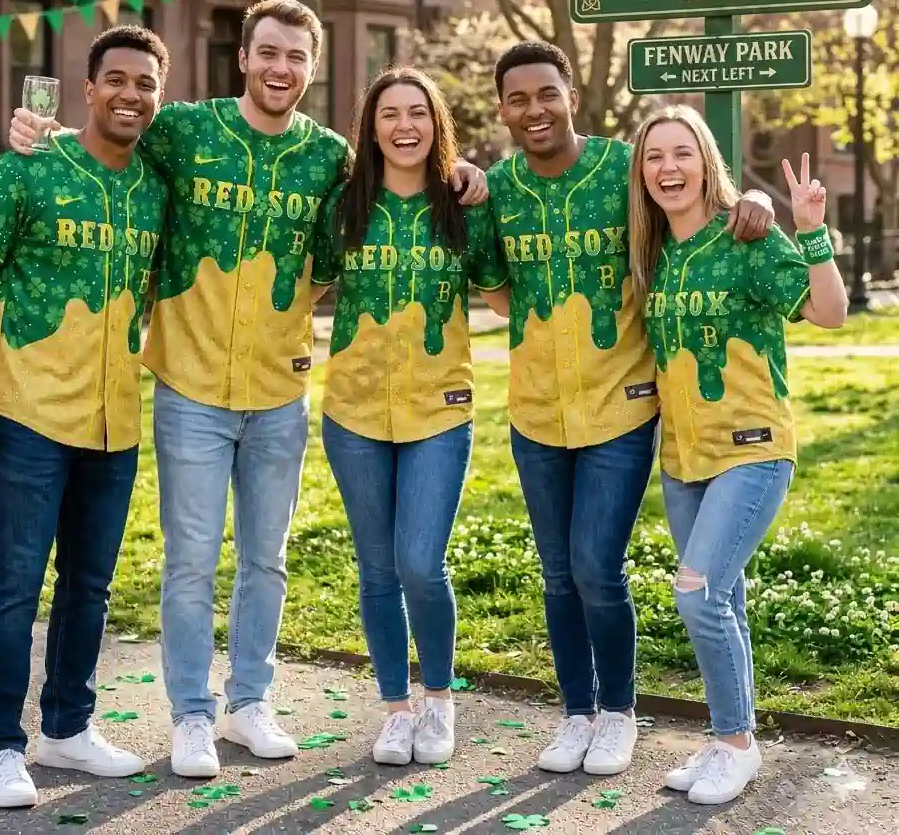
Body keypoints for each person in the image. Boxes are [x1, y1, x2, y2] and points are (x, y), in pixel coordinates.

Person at [6, 0, 488, 778]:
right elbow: (109, 139)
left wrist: (462, 173)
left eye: (296, 57)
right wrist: (42, 133)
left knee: (266, 560)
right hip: (190, 388)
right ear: (243, 57)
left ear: (313, 67)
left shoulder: (329, 158)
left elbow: (401, 178)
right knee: (191, 560)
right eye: (268, 52)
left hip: (279, 393)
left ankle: (249, 703)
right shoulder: (184, 130)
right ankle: (192, 717)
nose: (280, 68)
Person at [485, 41, 777, 778]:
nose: (534, 110)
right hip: (535, 414)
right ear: (502, 110)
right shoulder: (499, 186)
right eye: (517, 99)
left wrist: (758, 201)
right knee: (556, 573)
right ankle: (576, 712)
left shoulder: (625, 167)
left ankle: (617, 712)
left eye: (546, 93)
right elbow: (495, 286)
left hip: (623, 406)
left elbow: (698, 197)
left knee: (595, 565)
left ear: (571, 92)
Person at [0, 26, 171, 808]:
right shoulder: (31, 165)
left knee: (91, 584)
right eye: (116, 78)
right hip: (29, 417)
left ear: (158, 95)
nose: (130, 94)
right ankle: (1, 745)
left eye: (145, 82)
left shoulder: (156, 184)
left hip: (115, 421)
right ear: (89, 87)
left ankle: (68, 728)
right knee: (13, 583)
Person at [628, 105, 847, 804]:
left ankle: (735, 745)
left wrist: (811, 233)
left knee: (696, 594)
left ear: (706, 161)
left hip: (753, 449)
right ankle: (730, 733)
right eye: (655, 156)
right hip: (684, 458)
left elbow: (830, 312)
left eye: (681, 153)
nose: (668, 168)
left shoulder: (746, 235)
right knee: (725, 600)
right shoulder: (652, 253)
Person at [310, 67, 509, 766]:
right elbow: (304, 286)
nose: (403, 126)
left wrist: (481, 186)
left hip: (439, 409)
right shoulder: (343, 205)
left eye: (417, 113)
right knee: (376, 569)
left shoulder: (463, 205)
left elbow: (504, 299)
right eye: (389, 113)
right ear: (370, 127)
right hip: (353, 411)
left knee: (421, 563)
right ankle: (395, 708)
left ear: (436, 124)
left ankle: (439, 699)